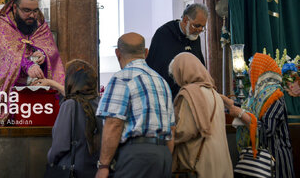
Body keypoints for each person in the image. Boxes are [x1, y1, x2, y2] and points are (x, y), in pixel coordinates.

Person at [95, 32, 175, 178]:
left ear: (117, 53)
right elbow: (172, 128)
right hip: (163, 155)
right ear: (146, 52)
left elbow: (113, 123)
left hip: (136, 156)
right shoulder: (161, 81)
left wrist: (103, 165)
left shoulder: (122, 77)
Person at [224, 53, 295, 178]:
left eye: (252, 67)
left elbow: (266, 130)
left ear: (261, 70)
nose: (249, 70)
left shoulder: (274, 96)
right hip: (262, 162)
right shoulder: (257, 97)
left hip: (275, 162)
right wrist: (224, 100)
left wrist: (240, 114)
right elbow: (248, 110)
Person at [169, 52, 233, 178]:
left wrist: (168, 138)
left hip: (202, 160)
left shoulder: (189, 94)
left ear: (182, 71)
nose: (176, 80)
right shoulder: (215, 93)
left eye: (175, 74)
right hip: (221, 158)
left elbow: (185, 130)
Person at [46, 59, 102, 177]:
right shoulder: (101, 103)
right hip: (95, 170)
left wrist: (50, 159)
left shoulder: (70, 105)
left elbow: (60, 145)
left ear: (71, 81)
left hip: (72, 171)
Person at [146, 3, 209, 99]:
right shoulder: (164, 34)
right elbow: (157, 68)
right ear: (185, 20)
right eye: (197, 25)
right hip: (167, 95)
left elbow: (199, 67)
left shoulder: (196, 38)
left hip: (191, 96)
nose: (199, 30)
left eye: (203, 27)